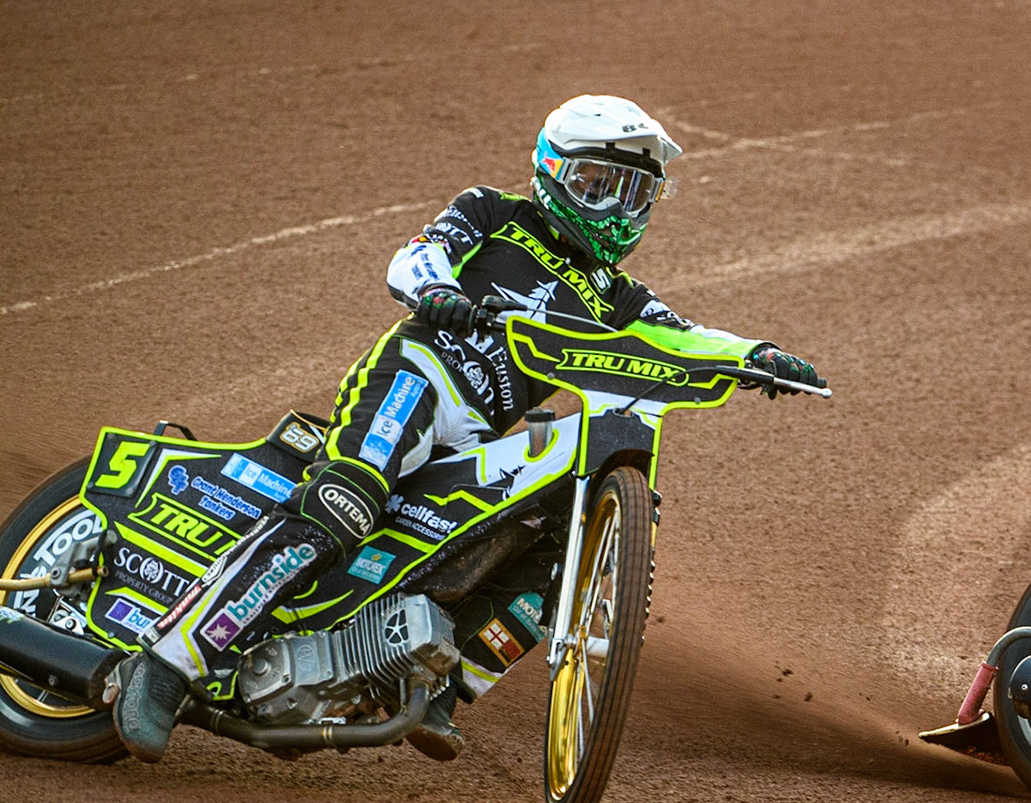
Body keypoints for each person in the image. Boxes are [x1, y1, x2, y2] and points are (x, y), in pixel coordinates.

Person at [113, 95, 822, 763]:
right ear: (553, 171)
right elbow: (415, 256)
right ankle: (168, 662)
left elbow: (686, 339)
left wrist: (755, 356)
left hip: (476, 433)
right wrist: (440, 292)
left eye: (634, 192)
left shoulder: (617, 295)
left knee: (550, 542)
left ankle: (444, 684)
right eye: (599, 182)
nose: (615, 207)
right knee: (346, 499)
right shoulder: (493, 211)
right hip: (418, 376)